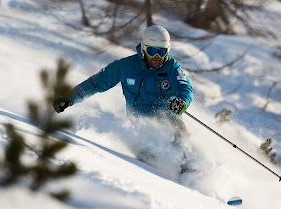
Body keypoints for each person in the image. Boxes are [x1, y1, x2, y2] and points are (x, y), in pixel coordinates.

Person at [53, 25, 194, 172]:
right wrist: (69, 98)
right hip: (140, 127)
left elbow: (185, 88)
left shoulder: (171, 67)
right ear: (144, 49)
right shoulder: (125, 66)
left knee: (182, 148)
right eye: (152, 51)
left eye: (162, 51)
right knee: (151, 163)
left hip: (170, 120)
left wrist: (182, 101)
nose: (157, 57)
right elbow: (95, 83)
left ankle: (194, 174)